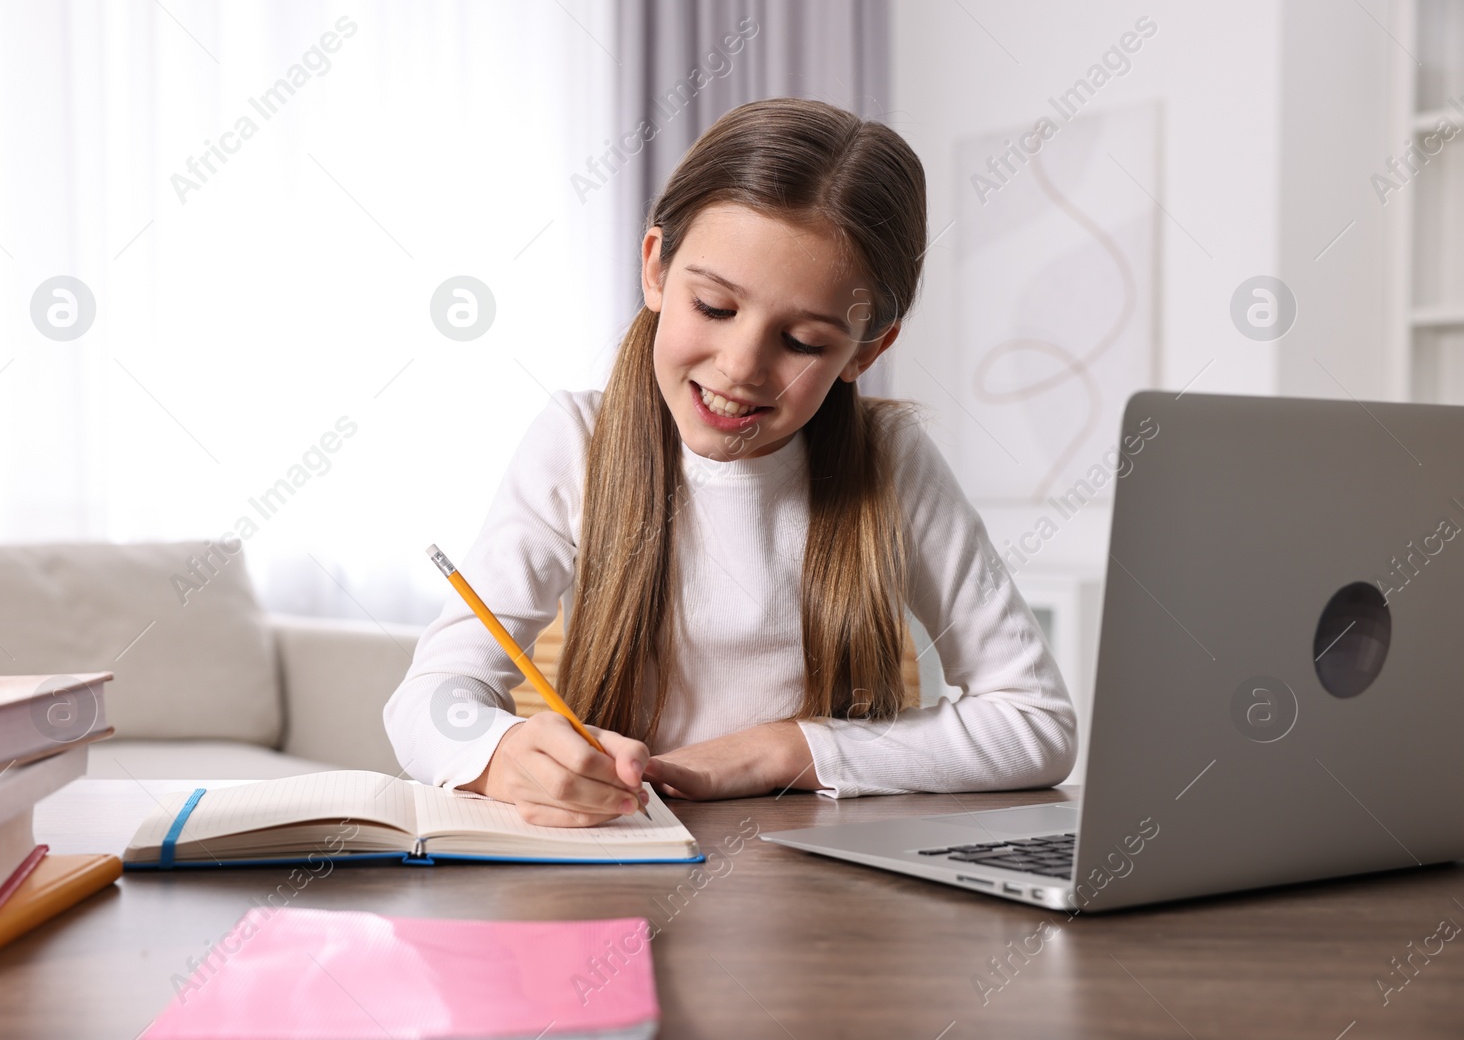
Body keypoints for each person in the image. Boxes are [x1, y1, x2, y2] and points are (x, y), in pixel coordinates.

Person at [383, 97, 1076, 826]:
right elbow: (428, 700)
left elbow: (1037, 721)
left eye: (804, 342)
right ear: (656, 267)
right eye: (714, 306)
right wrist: (502, 751)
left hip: (825, 890)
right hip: (626, 862)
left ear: (866, 349)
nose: (741, 367)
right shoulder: (578, 440)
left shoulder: (890, 461)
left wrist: (785, 750)